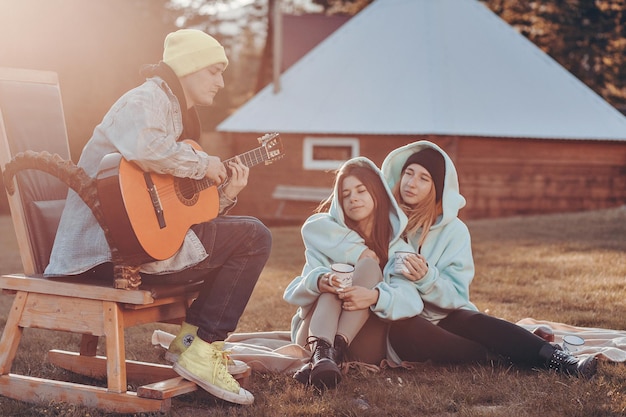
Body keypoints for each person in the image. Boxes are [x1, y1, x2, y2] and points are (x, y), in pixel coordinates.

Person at [44, 29, 272, 405]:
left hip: (134, 243)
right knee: (254, 237)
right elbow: (148, 149)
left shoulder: (173, 114)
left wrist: (226, 195)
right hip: (104, 254)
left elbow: (178, 209)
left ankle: (187, 346)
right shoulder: (145, 100)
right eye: (214, 71)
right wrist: (204, 163)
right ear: (189, 68)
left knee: (243, 238)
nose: (221, 81)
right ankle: (202, 348)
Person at [283, 157, 423, 390]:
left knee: (368, 268)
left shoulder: (397, 248)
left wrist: (375, 297)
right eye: (345, 194)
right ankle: (324, 355)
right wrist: (319, 281)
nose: (353, 198)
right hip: (313, 334)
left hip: (363, 343)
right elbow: (293, 293)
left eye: (360, 190)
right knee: (333, 281)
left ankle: (329, 357)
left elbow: (412, 299)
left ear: (377, 194)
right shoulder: (326, 238)